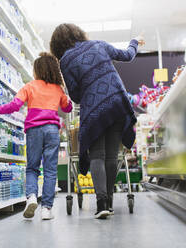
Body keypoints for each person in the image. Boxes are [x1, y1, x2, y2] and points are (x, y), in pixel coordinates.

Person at [50, 23, 144, 219]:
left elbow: (75, 95)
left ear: (57, 45)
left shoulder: (65, 61)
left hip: (94, 110)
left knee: (97, 156)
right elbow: (127, 55)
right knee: (112, 156)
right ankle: (108, 201)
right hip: (118, 102)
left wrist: (88, 87)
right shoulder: (98, 44)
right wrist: (134, 42)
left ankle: (101, 203)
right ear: (78, 33)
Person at [0, 52, 73, 220]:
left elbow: (15, 105)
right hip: (51, 130)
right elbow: (67, 108)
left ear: (37, 70)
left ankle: (31, 197)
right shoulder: (58, 88)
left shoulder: (29, 86)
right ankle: (46, 209)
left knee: (32, 167)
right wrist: (67, 98)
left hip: (34, 130)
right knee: (50, 170)